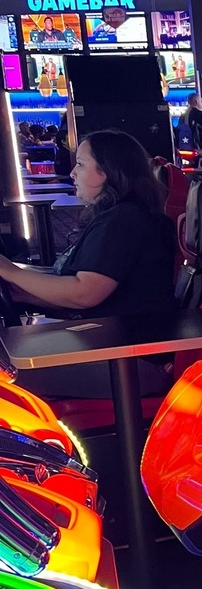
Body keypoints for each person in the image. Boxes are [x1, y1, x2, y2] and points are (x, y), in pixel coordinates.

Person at [0, 130, 176, 396]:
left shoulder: (124, 221)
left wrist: (9, 270)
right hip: (109, 345)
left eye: (81, 164)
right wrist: (22, 293)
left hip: (126, 362)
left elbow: (85, 293)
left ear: (107, 172)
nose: (72, 173)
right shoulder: (120, 215)